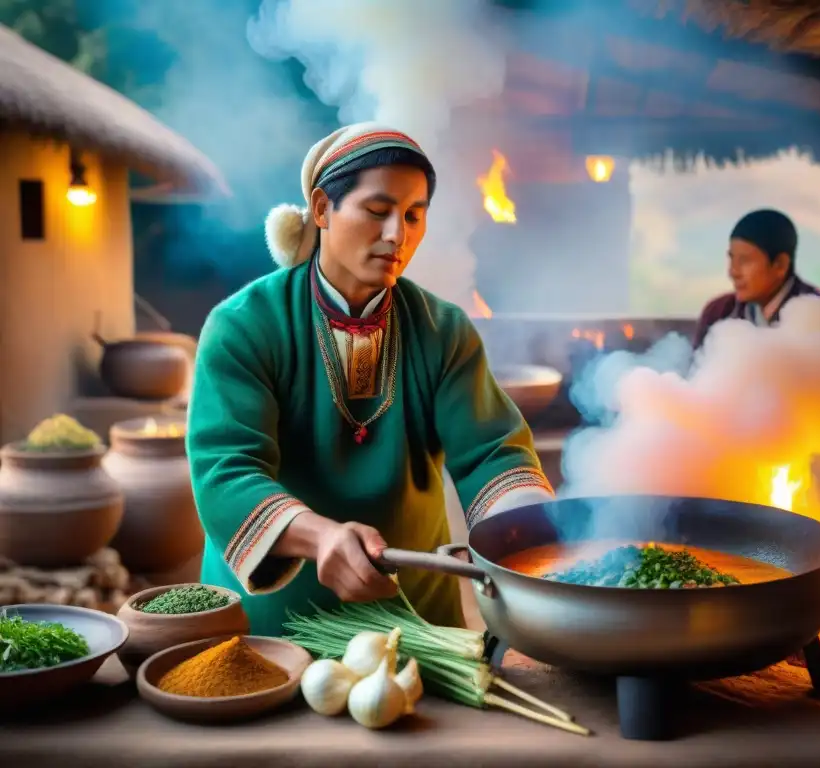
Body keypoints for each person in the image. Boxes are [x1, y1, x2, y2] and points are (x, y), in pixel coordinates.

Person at [186, 123, 555, 636]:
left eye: (413, 215)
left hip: (417, 620)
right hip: (276, 628)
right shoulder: (245, 325)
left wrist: (537, 526)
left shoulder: (443, 330)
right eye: (377, 212)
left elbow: (492, 452)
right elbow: (225, 472)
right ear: (321, 209)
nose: (396, 235)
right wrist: (320, 538)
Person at [693, 209, 820, 349]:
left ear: (780, 265)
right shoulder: (718, 312)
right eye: (732, 259)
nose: (733, 272)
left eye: (744, 261)